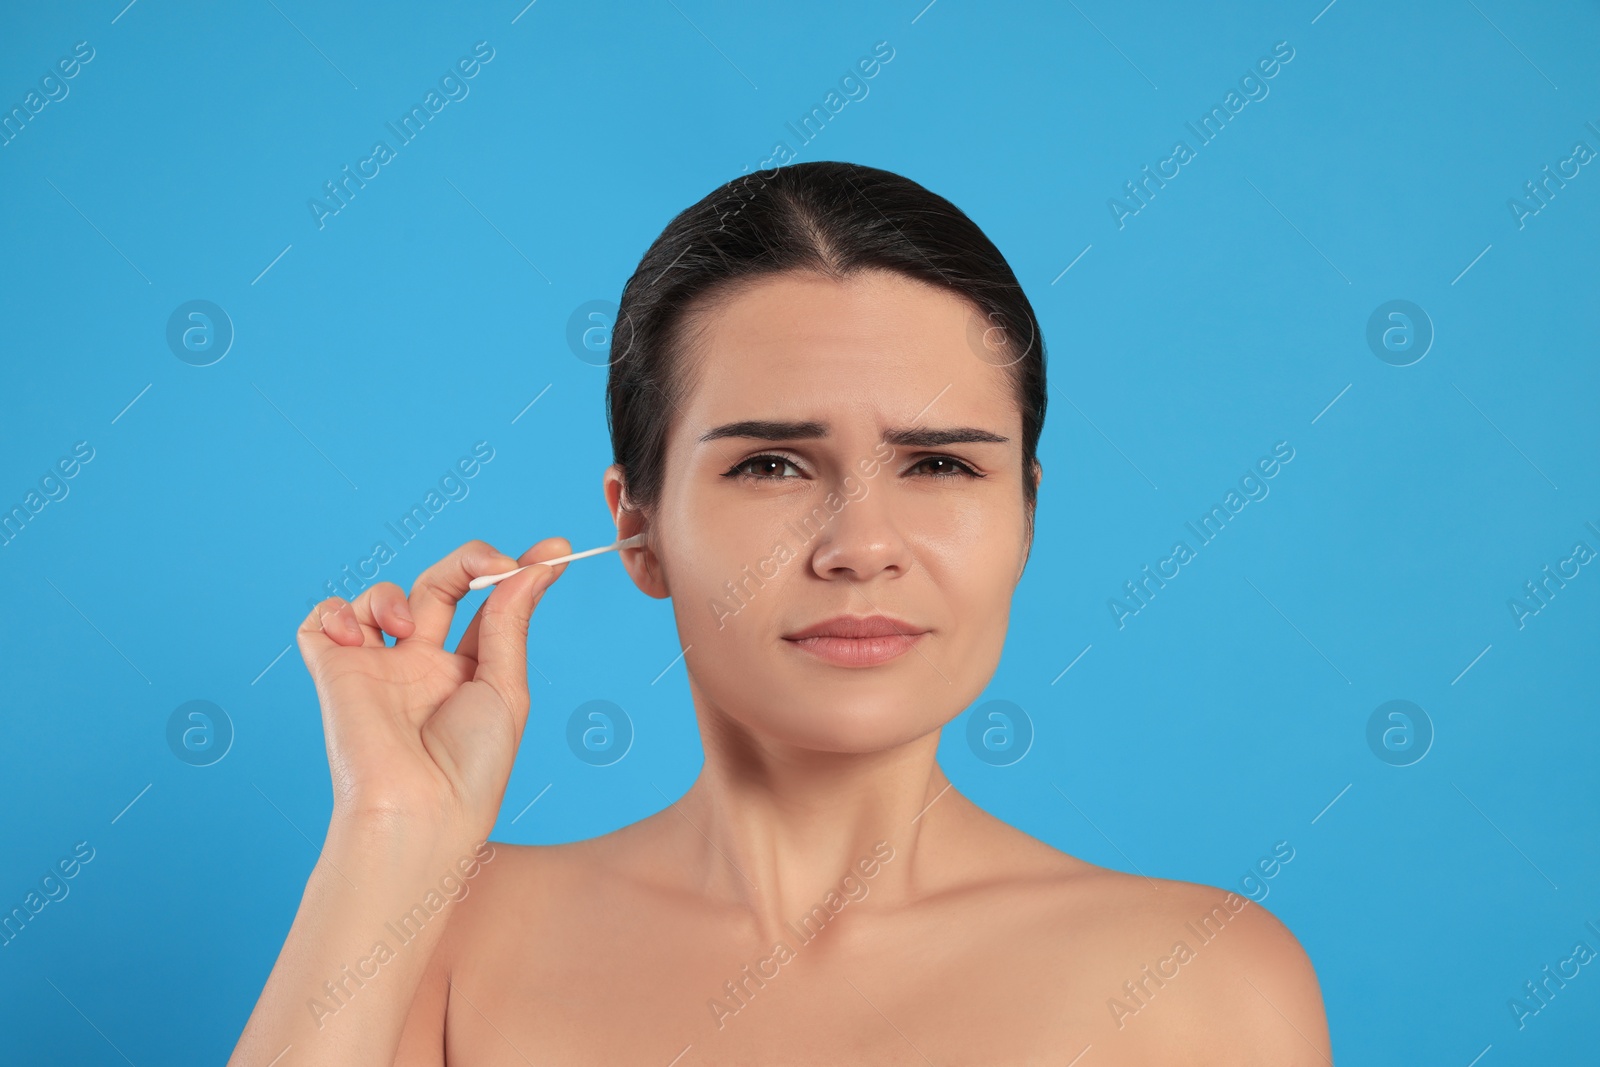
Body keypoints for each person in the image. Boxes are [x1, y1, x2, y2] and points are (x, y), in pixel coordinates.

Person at [229, 161, 1330, 1065]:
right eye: (770, 464)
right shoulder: (439, 936)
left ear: (1025, 515)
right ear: (641, 527)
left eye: (940, 464)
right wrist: (387, 837)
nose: (861, 547)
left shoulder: (1203, 983)